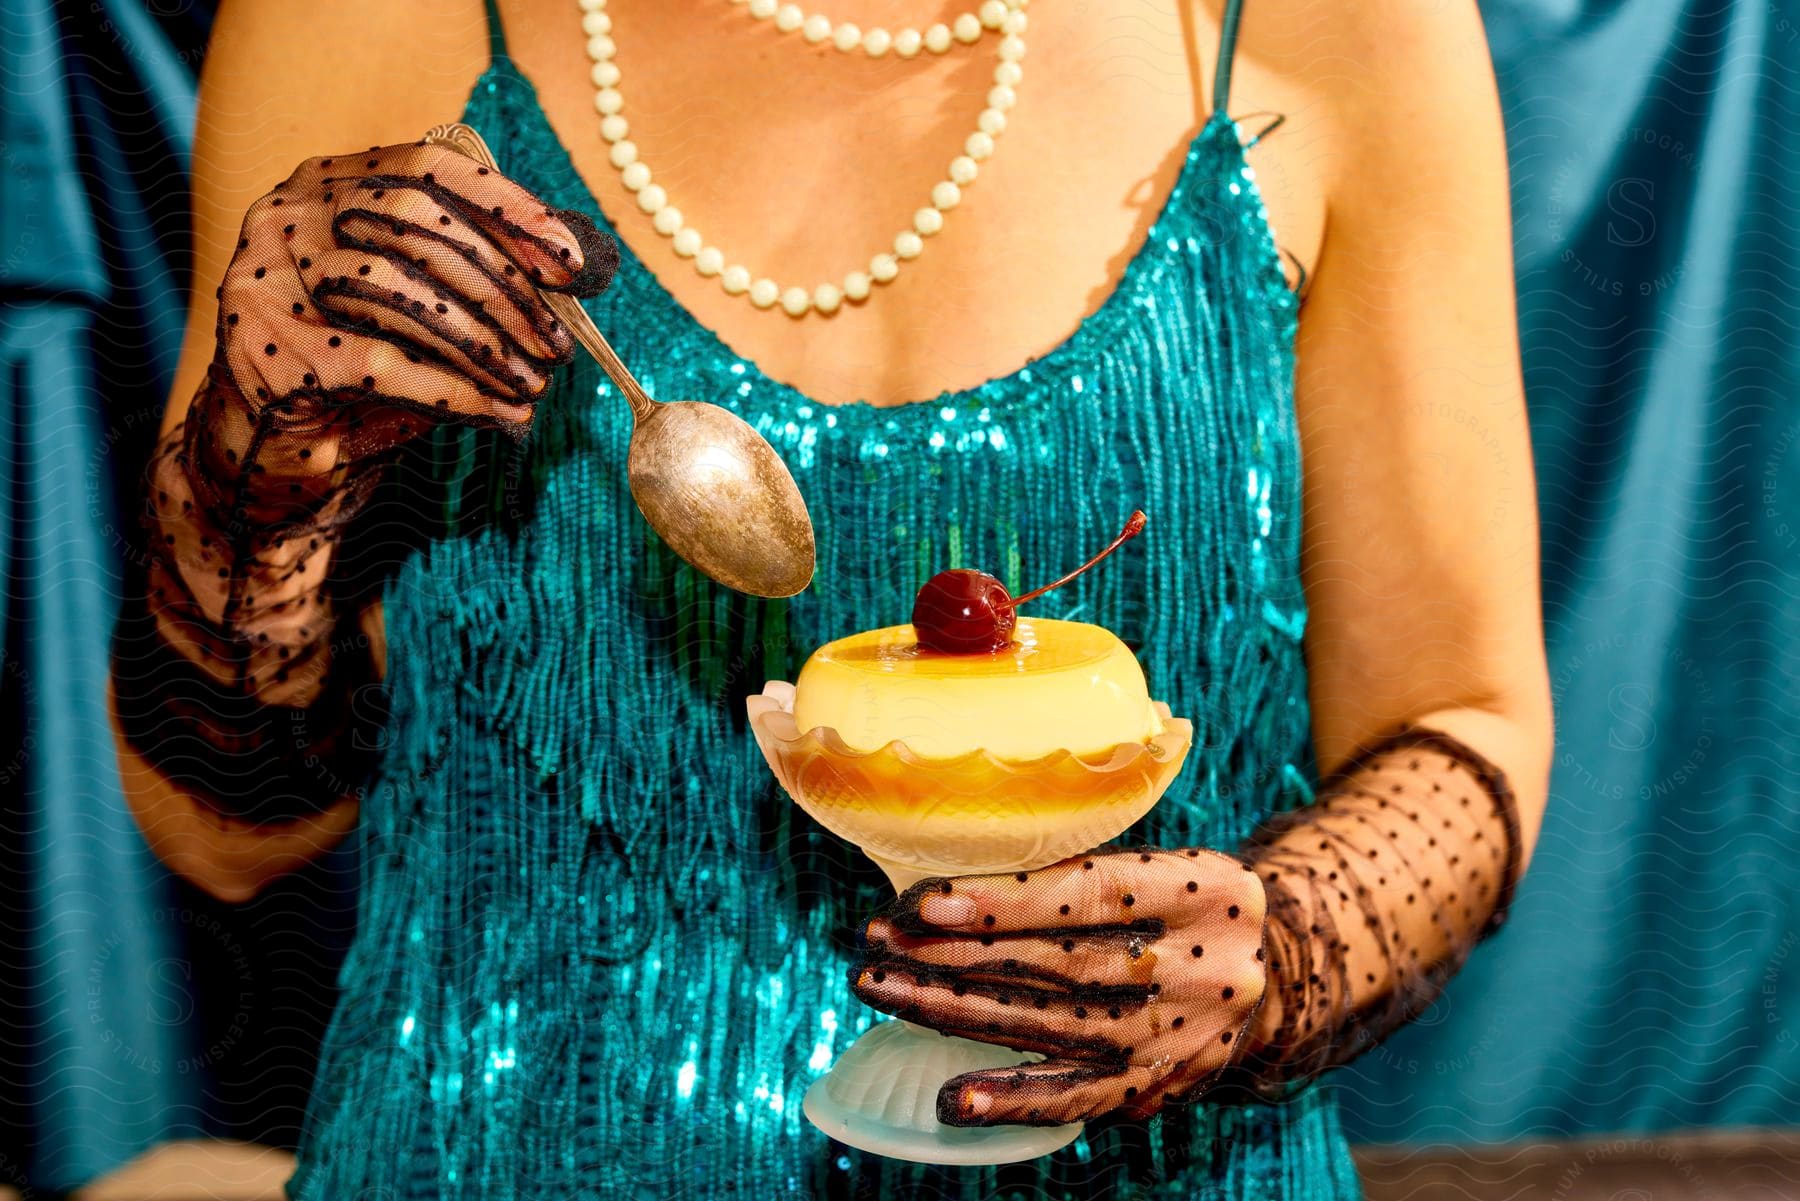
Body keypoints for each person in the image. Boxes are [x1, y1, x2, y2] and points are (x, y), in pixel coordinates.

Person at [110, 0, 1552, 1196]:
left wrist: (1287, 949)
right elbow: (220, 831)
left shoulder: (1329, 29)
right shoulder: (366, 24)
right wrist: (258, 469)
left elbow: (1461, 715)